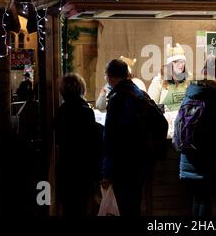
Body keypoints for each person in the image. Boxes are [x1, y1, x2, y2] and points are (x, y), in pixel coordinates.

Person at [173, 55, 216, 216]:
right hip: (208, 161)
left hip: (187, 159)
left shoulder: (189, 92)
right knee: (205, 200)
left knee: (197, 200)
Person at [101, 59, 154, 216]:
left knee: (124, 208)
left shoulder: (117, 99)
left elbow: (111, 139)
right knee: (134, 206)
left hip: (122, 166)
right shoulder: (140, 94)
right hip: (140, 163)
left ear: (110, 77)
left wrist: (107, 172)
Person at [54, 73, 102, 216]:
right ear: (81, 89)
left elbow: (59, 139)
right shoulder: (86, 111)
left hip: (65, 167)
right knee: (82, 207)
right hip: (83, 168)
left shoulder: (60, 112)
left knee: (68, 208)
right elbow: (91, 142)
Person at [148, 43, 191, 111]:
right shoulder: (158, 81)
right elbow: (149, 105)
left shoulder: (189, 79)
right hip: (165, 120)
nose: (180, 65)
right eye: (176, 62)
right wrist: (161, 108)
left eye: (182, 61)